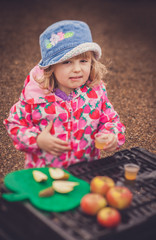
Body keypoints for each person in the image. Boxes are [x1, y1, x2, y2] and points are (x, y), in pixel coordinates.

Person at [4, 20, 125, 168]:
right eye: (67, 62)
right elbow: (15, 123)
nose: (77, 69)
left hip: (85, 171)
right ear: (51, 68)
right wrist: (37, 139)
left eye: (83, 61)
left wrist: (111, 135)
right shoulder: (35, 97)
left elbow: (110, 120)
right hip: (46, 173)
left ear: (92, 63)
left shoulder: (95, 94)